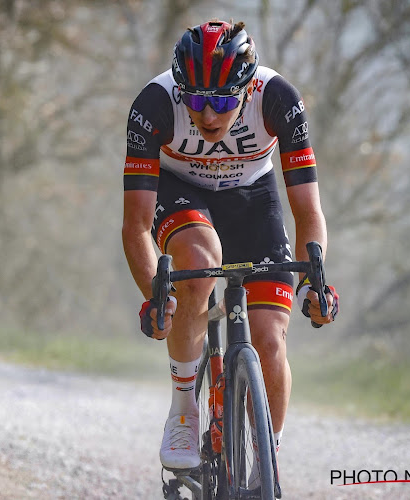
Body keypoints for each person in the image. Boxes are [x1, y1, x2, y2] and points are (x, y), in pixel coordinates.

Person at [122, 19, 339, 472]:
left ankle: (266, 464)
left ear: (246, 88)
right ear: (182, 90)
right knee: (199, 266)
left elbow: (308, 211)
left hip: (253, 199)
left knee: (269, 338)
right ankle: (183, 407)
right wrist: (155, 297)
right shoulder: (154, 105)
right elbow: (137, 225)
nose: (208, 115)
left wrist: (315, 286)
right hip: (180, 191)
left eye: (222, 101)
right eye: (197, 100)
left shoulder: (278, 99)